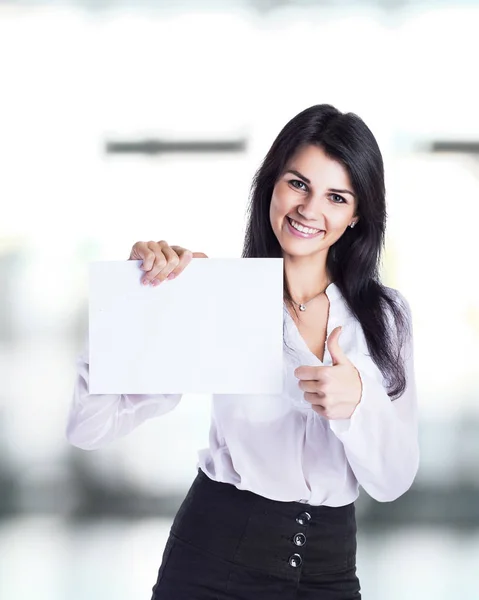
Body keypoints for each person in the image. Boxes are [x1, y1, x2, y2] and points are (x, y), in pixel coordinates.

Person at [66, 104, 419, 599]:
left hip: (330, 572)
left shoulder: (384, 318)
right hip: (213, 562)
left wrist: (358, 404)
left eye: (336, 196)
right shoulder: (215, 293)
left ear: (358, 214)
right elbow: (89, 428)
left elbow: (393, 479)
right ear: (271, 183)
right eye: (298, 184)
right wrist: (130, 307)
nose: (309, 209)